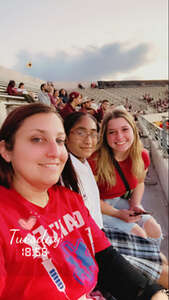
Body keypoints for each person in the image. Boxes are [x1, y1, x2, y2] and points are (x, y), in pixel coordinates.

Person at [0, 103, 167, 300]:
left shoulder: (69, 199)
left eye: (59, 140)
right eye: (37, 139)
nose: (54, 151)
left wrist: (149, 293)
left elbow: (105, 258)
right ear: (6, 150)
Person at [63, 112, 168, 289]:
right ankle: (150, 275)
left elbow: (140, 181)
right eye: (112, 132)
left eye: (124, 129)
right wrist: (120, 214)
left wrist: (135, 204)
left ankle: (152, 263)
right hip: (104, 208)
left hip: (120, 202)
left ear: (134, 130)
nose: (119, 137)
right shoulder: (93, 160)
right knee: (139, 233)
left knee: (155, 230)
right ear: (105, 135)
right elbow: (94, 202)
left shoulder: (141, 155)